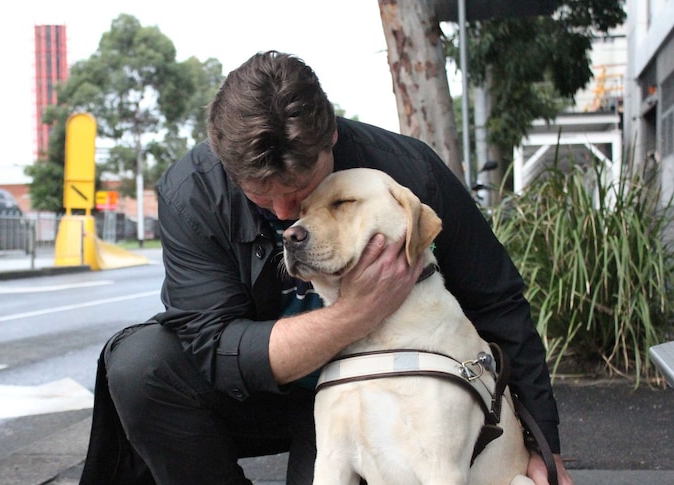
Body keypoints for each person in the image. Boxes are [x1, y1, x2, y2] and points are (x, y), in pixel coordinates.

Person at [79, 50, 574, 485]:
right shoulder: (193, 193)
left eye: (301, 189)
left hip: (383, 390)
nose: (284, 213)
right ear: (225, 165)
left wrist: (542, 446)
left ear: (331, 135)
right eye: (259, 195)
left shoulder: (407, 172)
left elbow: (497, 298)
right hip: (260, 397)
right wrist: (356, 312)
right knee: (140, 362)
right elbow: (216, 347)